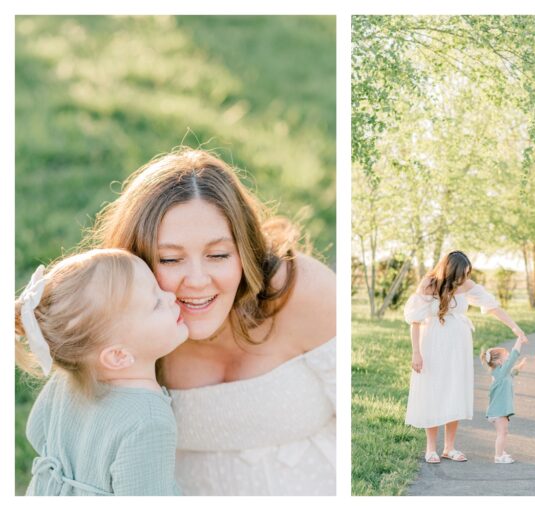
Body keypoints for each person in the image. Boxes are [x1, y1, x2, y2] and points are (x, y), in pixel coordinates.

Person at [87, 148, 337, 495]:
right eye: (170, 259)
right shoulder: (117, 325)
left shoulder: (302, 292)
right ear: (136, 263)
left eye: (218, 255)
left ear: (244, 251)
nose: (198, 280)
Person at [17, 249, 187, 495]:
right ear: (118, 356)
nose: (171, 296)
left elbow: (36, 430)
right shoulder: (149, 419)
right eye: (156, 303)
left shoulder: (66, 379)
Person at [404, 250, 528, 464]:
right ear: (450, 270)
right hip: (432, 343)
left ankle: (449, 448)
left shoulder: (466, 285)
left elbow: (493, 307)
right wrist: (416, 352)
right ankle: (431, 448)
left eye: (467, 273)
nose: (465, 278)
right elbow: (415, 321)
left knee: (454, 390)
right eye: (462, 273)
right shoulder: (428, 284)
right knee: (433, 390)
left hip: (457, 346)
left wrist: (515, 328)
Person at [481, 334, 528, 464]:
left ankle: (501, 452)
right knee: (502, 433)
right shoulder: (500, 373)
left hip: (499, 411)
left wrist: (520, 366)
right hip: (498, 412)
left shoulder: (501, 373)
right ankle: (498, 456)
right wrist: (519, 340)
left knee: (503, 432)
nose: (508, 359)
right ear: (499, 362)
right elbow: (513, 357)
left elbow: (512, 372)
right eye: (506, 357)